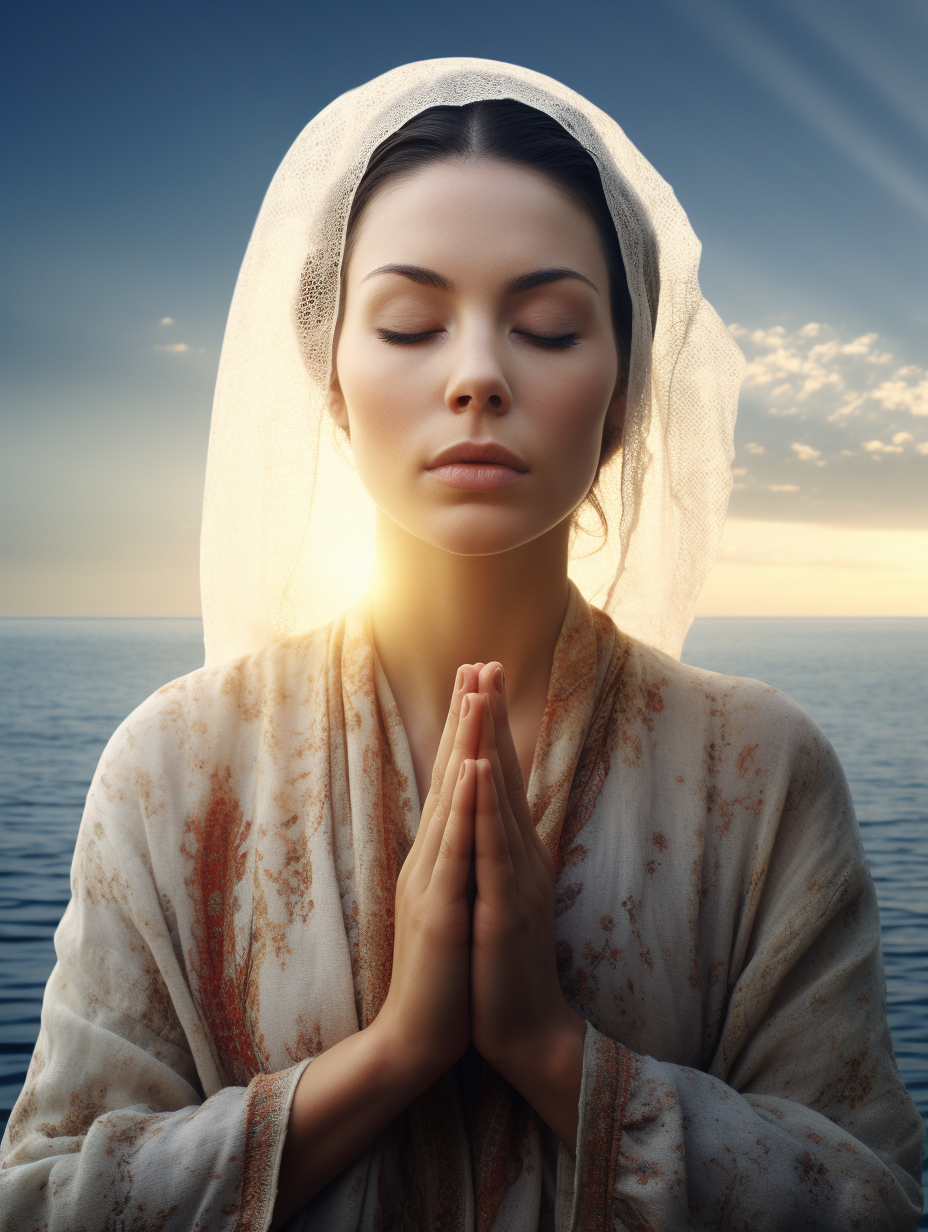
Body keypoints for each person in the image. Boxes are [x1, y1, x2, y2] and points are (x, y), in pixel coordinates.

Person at [0, 58, 922, 1232]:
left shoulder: (759, 772)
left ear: (627, 388)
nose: (478, 374)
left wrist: (554, 1052)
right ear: (329, 375)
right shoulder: (176, 766)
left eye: (545, 324)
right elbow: (38, 1199)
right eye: (408, 323)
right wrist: (394, 1054)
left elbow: (875, 1203)